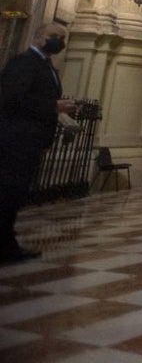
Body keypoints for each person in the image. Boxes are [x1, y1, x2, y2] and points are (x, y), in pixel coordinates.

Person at [0, 23, 77, 263]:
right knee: (8, 192)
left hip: (32, 139)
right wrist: (54, 106)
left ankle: (7, 244)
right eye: (53, 36)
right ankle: (5, 246)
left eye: (62, 38)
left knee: (16, 193)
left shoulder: (46, 65)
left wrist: (59, 108)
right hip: (16, 138)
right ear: (37, 37)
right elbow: (11, 99)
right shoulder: (24, 62)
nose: (58, 41)